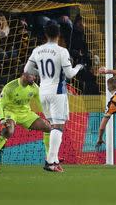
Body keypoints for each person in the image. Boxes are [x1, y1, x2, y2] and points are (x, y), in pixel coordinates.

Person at [24, 20, 85, 172]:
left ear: (45, 34)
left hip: (43, 91)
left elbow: (27, 69)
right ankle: (50, 161)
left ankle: (55, 159)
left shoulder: (37, 50)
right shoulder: (62, 51)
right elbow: (70, 74)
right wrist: (78, 66)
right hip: (57, 92)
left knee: (53, 126)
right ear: (59, 34)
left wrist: (43, 75)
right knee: (58, 126)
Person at [0, 73, 51, 160]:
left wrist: (49, 117)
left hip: (26, 114)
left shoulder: (34, 87)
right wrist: (2, 119)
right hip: (10, 112)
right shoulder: (10, 87)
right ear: (24, 75)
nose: (34, 78)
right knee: (9, 131)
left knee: (48, 127)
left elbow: (40, 104)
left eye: (35, 76)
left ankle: (49, 157)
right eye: (32, 76)